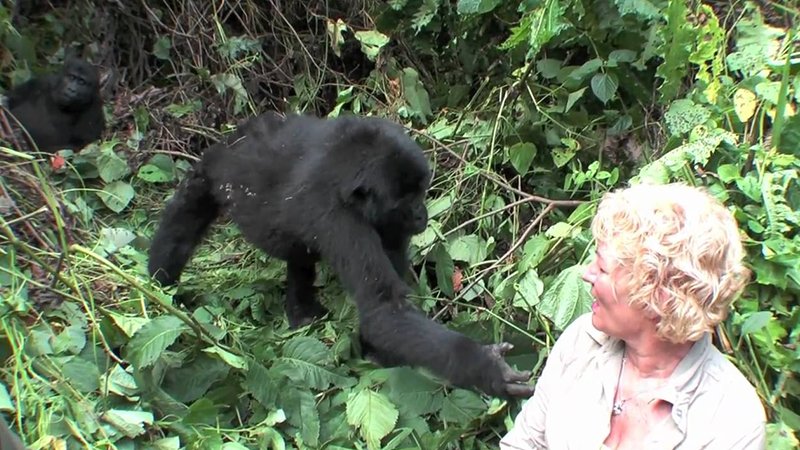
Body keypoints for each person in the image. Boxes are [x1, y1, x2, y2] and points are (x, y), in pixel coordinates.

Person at [500, 183, 766, 450]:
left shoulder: (731, 420)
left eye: (602, 268)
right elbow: (524, 444)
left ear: (658, 296)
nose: (587, 274)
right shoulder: (582, 341)